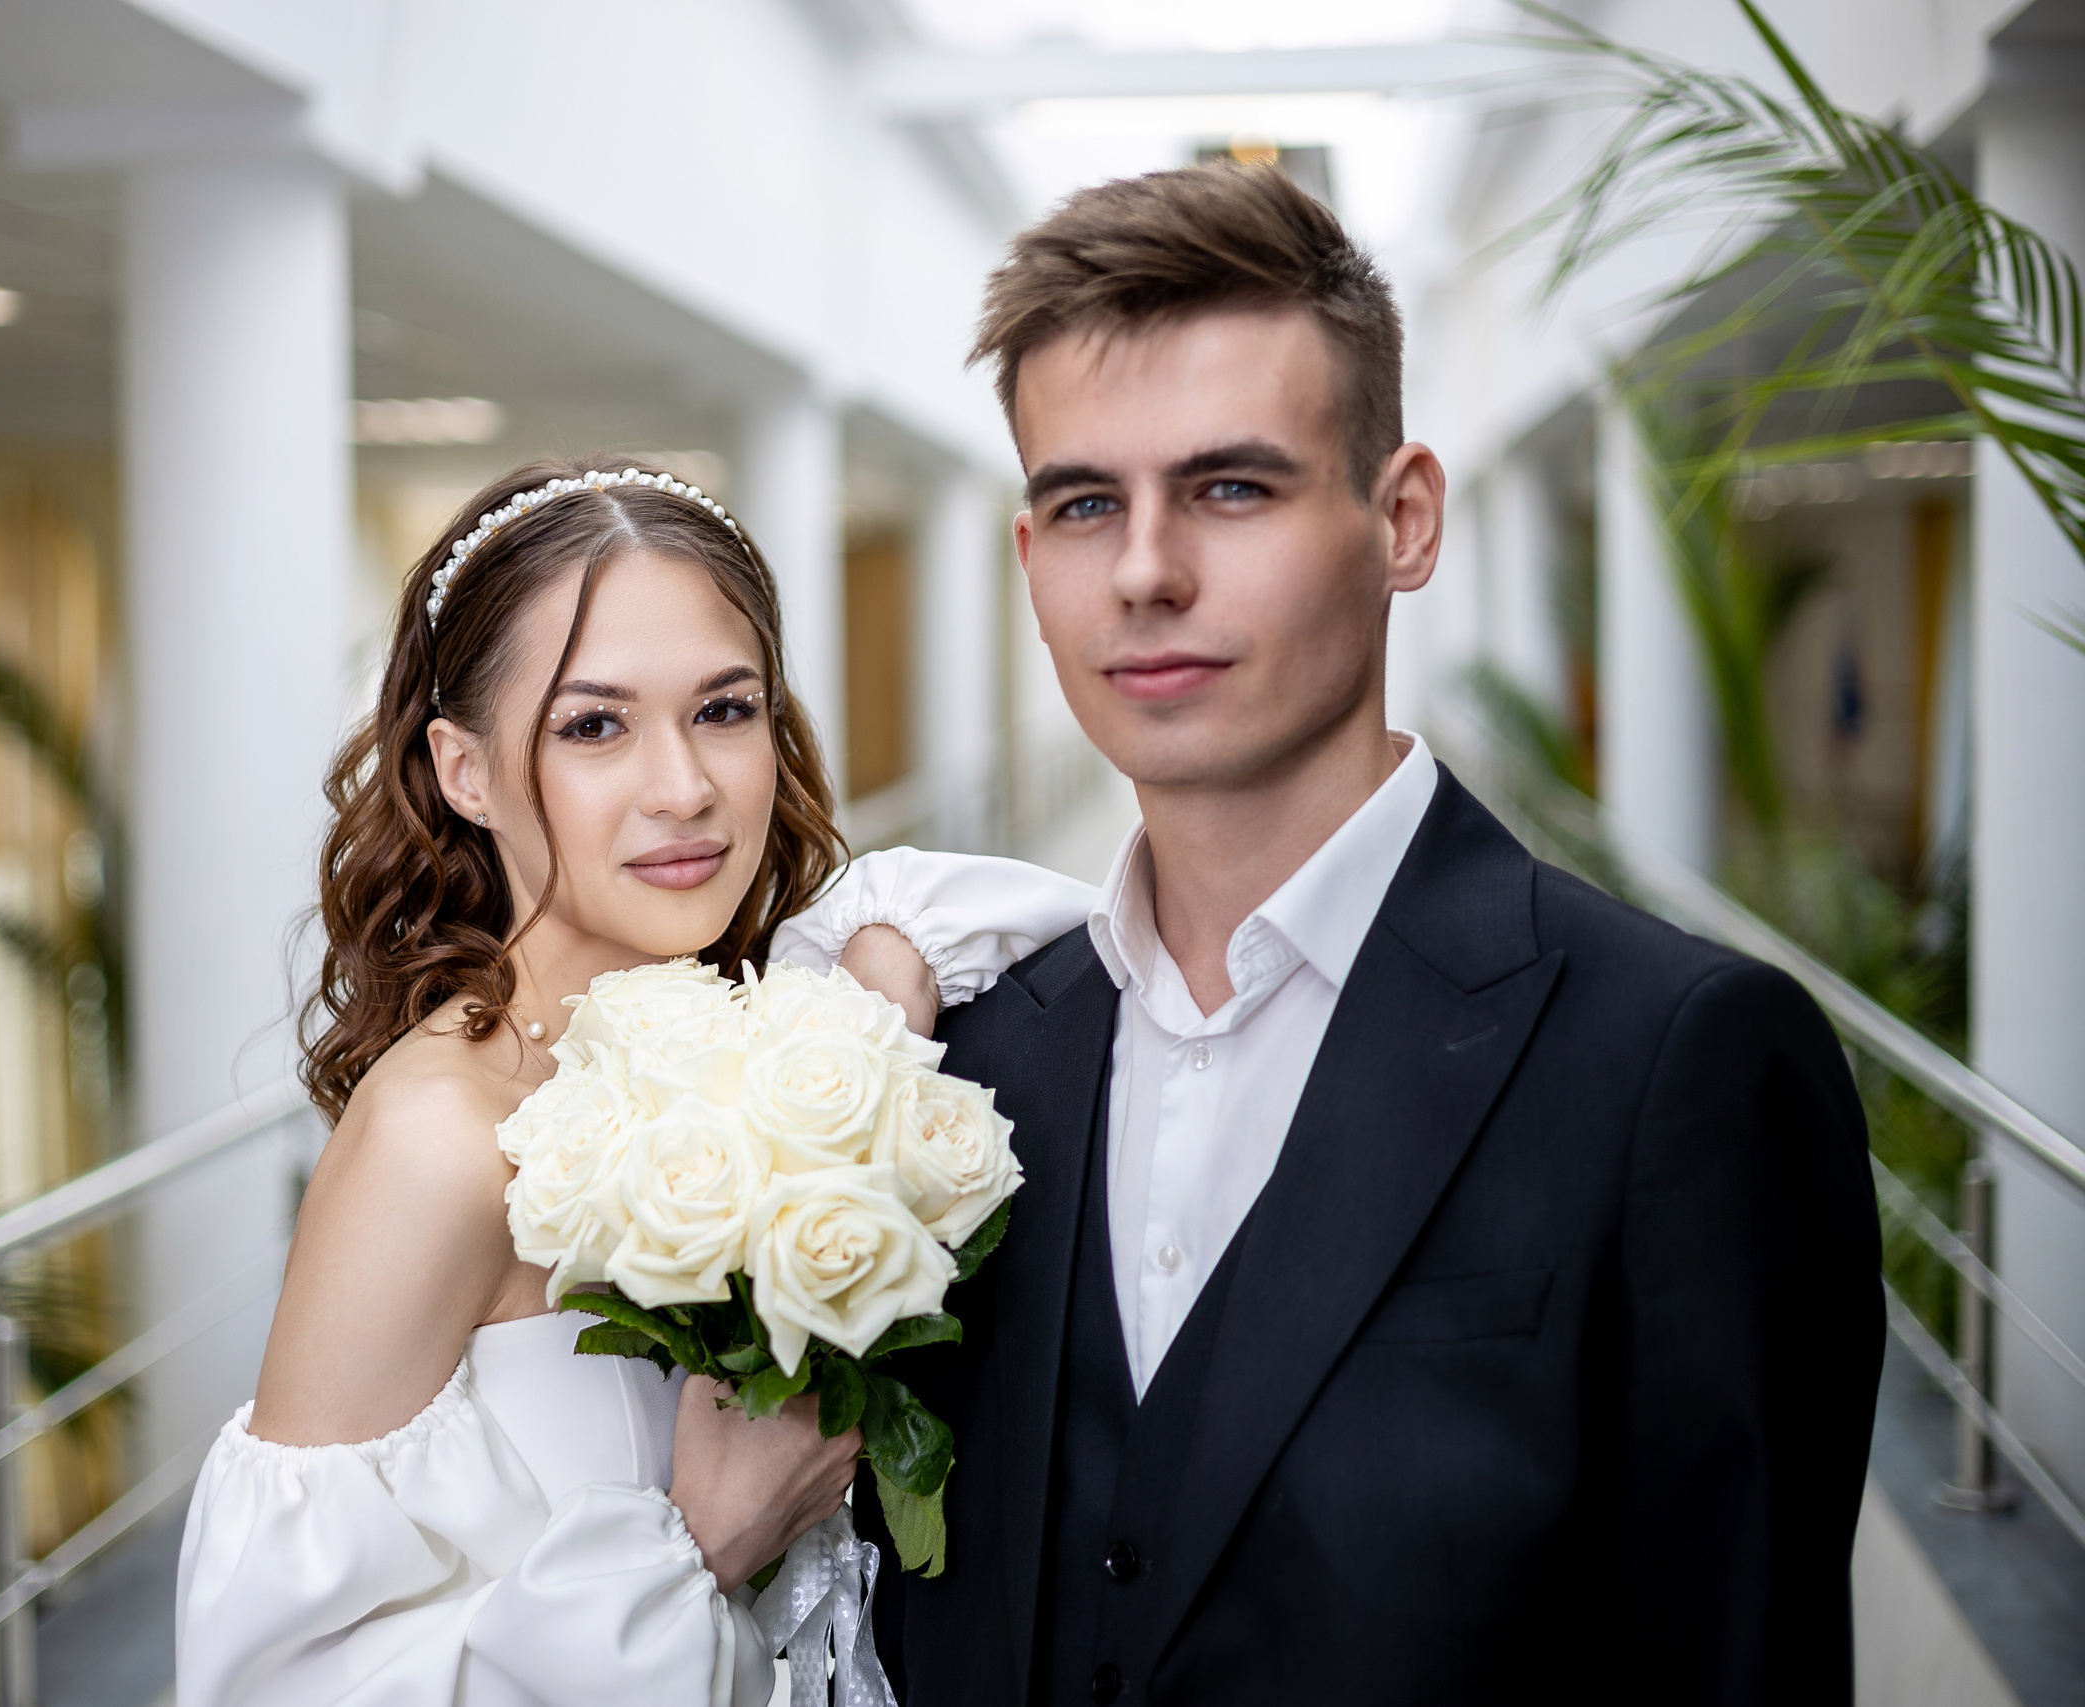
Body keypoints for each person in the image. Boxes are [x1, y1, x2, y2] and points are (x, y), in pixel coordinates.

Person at [808, 160, 1885, 1705]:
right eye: (1085, 501)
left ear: (1404, 518)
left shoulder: (1676, 1061)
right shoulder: (965, 1055)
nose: (1147, 570)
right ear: (1029, 559)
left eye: (1230, 486)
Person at [171, 457, 1092, 1707]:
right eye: (593, 725)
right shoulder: (439, 1141)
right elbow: (269, 1688)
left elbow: (1025, 913)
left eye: (725, 709)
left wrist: (873, 1005)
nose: (687, 789)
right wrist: (694, 1546)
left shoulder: (765, 1028)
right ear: (465, 770)